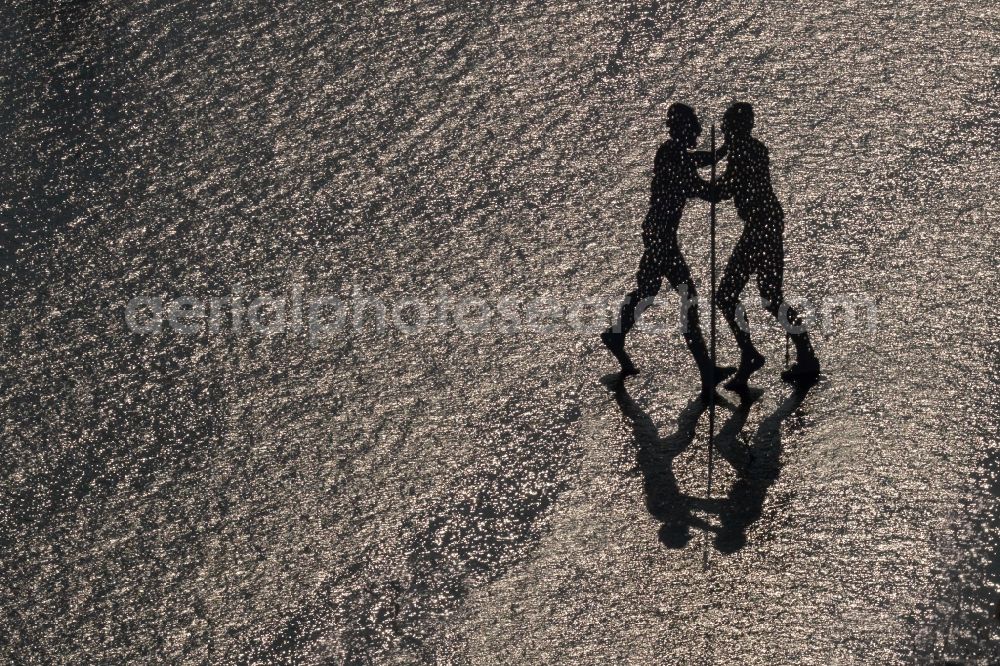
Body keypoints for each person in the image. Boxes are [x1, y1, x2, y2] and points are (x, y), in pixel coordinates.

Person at [602, 103, 735, 392]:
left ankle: (616, 335)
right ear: (683, 129)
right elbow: (707, 191)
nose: (697, 133)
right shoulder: (673, 158)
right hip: (662, 239)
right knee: (690, 299)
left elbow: (699, 159)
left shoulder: (671, 152)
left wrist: (722, 152)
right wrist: (733, 181)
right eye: (694, 129)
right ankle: (706, 369)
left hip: (657, 235)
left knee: (647, 292)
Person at [711, 102, 820, 387]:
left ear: (734, 127)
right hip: (767, 226)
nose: (724, 129)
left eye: (727, 125)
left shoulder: (744, 151)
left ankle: (750, 354)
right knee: (771, 296)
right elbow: (734, 184)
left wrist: (696, 187)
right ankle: (805, 356)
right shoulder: (752, 149)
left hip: (760, 229)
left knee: (726, 295)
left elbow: (727, 188)